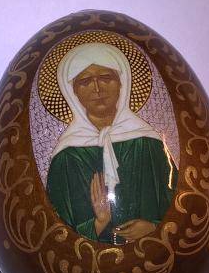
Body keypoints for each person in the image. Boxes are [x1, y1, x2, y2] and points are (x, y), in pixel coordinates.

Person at [45, 42, 177, 244]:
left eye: (106, 78)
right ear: (73, 91)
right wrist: (98, 223)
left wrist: (153, 227)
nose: (97, 89)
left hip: (151, 254)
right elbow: (52, 231)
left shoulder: (149, 144)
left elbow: (180, 209)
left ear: (122, 82)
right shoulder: (66, 156)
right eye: (85, 81)